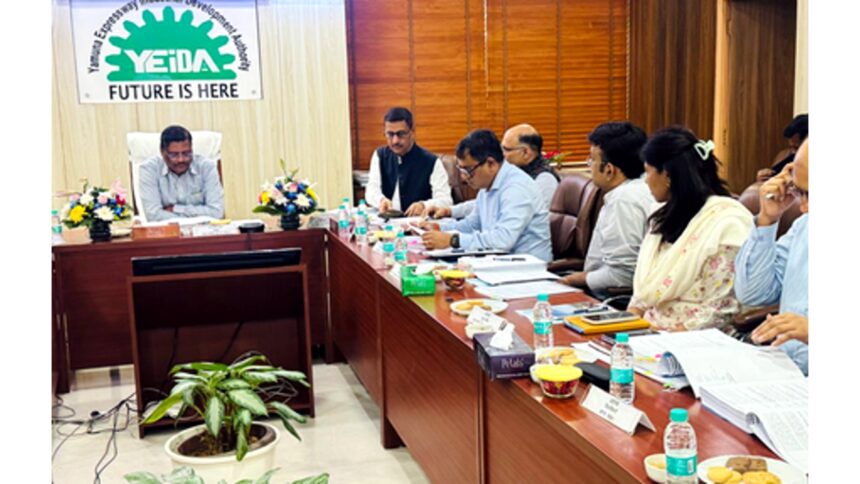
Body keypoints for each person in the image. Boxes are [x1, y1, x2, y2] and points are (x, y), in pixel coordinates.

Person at [627, 127, 753, 331]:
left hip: (695, 341)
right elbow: (643, 295)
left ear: (666, 174)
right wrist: (622, 329)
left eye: (648, 171)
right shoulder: (664, 216)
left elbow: (722, 309)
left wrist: (664, 338)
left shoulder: (728, 223)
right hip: (648, 333)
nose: (646, 180)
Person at [419, 129, 552, 261]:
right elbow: (473, 224)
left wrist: (453, 240)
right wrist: (439, 227)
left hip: (527, 270)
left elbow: (503, 240)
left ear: (491, 164)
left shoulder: (516, 188)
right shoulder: (487, 184)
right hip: (498, 263)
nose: (464, 178)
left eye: (468, 170)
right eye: (461, 169)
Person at [735, 138, 809, 375]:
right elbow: (753, 293)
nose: (803, 207)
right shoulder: (804, 226)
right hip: (784, 374)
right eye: (800, 192)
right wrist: (767, 220)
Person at [560, 122, 654, 299]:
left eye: (592, 160)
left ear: (609, 170)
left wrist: (574, 280)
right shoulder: (642, 189)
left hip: (611, 302)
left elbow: (623, 275)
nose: (590, 165)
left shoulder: (624, 200)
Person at [423, 124, 559, 219]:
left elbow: (527, 219)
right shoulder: (507, 176)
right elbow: (482, 204)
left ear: (526, 153)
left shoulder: (544, 179)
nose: (501, 154)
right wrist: (450, 211)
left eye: (506, 149)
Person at [364, 107, 453, 216]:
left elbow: (446, 200)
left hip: (418, 225)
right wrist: (381, 200)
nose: (395, 141)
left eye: (401, 134)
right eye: (390, 134)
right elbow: (371, 190)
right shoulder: (379, 155)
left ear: (412, 132)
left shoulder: (431, 162)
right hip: (388, 224)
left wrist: (423, 205)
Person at [138, 125, 225, 222]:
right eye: (174, 155)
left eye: (186, 153)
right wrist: (197, 215)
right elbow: (153, 215)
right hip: (166, 233)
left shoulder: (206, 167)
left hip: (203, 232)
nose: (181, 159)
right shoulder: (149, 169)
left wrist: (177, 209)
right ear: (162, 152)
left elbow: (217, 212)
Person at [756, 114, 808, 182]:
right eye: (791, 147)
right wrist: (763, 177)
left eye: (797, 148)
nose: (793, 152)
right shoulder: (785, 157)